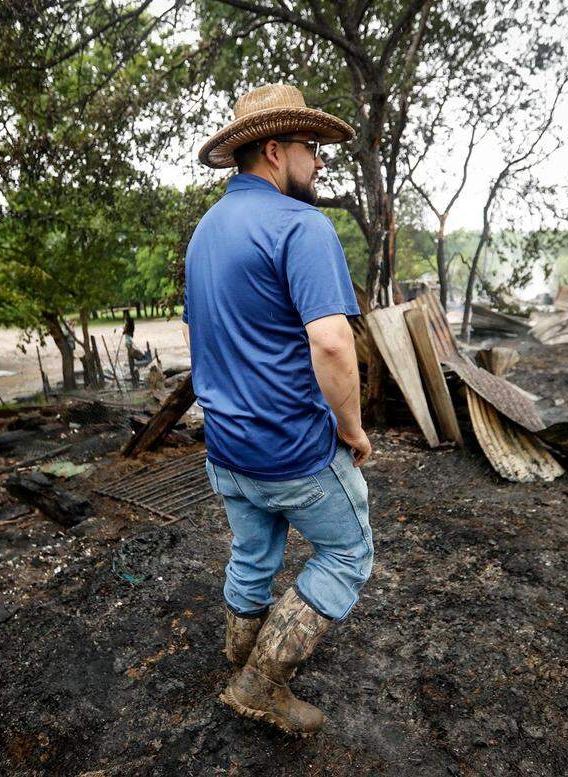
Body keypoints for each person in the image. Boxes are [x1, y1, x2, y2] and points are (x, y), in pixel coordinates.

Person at [182, 83, 374, 735]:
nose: (319, 162)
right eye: (311, 148)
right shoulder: (302, 226)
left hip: (226, 450)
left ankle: (238, 652)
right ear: (274, 149)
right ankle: (261, 681)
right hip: (291, 448)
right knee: (348, 552)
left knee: (255, 549)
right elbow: (330, 342)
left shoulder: (205, 232)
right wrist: (351, 429)